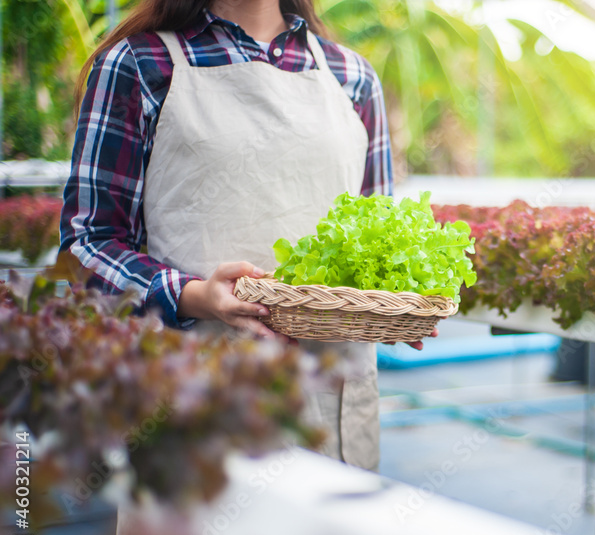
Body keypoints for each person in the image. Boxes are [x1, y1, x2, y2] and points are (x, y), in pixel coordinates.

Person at [60, 0, 397, 471]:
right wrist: (193, 295)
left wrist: (401, 307)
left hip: (331, 392)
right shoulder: (139, 64)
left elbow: (379, 240)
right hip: (199, 387)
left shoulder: (353, 76)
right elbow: (87, 244)